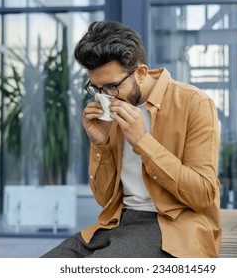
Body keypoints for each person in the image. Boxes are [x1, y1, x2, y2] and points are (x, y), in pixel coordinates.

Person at [41, 20, 221, 258]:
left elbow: (204, 195)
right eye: (96, 88)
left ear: (141, 72)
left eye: (111, 86)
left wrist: (142, 141)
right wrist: (100, 144)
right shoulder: (111, 112)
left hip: (175, 225)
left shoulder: (194, 103)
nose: (105, 96)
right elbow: (104, 199)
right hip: (117, 222)